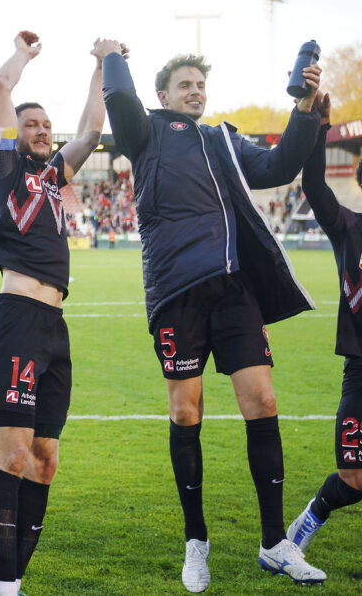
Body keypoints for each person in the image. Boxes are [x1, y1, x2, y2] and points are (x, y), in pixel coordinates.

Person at [101, 43, 326, 590]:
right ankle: (195, 540)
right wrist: (111, 56)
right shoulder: (146, 134)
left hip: (233, 288)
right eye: (185, 85)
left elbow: (280, 166)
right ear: (162, 96)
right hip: (176, 291)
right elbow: (119, 96)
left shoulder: (223, 137)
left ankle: (275, 543)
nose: (195, 92)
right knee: (185, 413)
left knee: (263, 401)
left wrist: (303, 109)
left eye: (200, 85)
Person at [0, 31, 112, 596]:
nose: (41, 130)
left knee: (44, 460)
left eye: (44, 125)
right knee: (11, 454)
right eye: (32, 124)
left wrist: (103, 64)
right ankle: (4, 585)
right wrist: (25, 57)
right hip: (18, 317)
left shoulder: (55, 176)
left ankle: (11, 580)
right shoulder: (5, 171)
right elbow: (1, 86)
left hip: (55, 326)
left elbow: (91, 130)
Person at [287, 91, 362, 568]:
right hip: (361, 370)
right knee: (354, 479)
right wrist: (318, 124)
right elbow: (313, 184)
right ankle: (308, 519)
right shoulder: (347, 227)